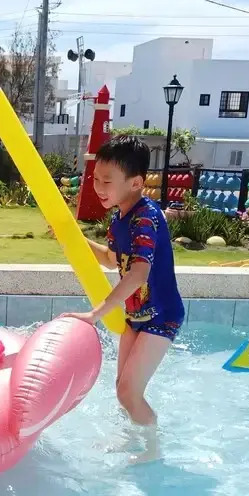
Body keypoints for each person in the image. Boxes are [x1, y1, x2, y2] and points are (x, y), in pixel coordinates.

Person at [59, 137, 185, 443]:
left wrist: (96, 313)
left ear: (135, 183)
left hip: (161, 316)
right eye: (95, 179)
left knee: (129, 393)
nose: (98, 187)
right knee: (123, 391)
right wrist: (74, 239)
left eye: (107, 181)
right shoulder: (119, 219)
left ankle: (153, 449)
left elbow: (139, 274)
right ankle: (133, 441)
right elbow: (110, 259)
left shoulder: (146, 217)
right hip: (137, 316)